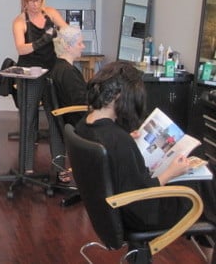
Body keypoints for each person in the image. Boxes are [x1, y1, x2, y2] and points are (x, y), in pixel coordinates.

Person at [75, 61, 216, 237]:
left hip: (114, 209)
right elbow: (141, 193)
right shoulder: (118, 140)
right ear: (120, 96)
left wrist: (129, 141)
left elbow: (114, 158)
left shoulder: (84, 125)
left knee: (205, 177)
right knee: (205, 178)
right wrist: (171, 172)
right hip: (143, 214)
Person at [12, 0, 67, 174]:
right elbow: (21, 48)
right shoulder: (20, 22)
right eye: (30, 1)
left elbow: (67, 30)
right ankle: (26, 168)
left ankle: (60, 167)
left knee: (56, 118)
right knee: (28, 120)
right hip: (30, 75)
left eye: (38, 0)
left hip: (51, 72)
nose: (35, 5)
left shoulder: (50, 13)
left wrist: (65, 35)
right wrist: (44, 39)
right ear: (24, 1)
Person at [47, 25, 88, 182]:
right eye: (80, 43)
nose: (83, 47)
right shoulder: (68, 72)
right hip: (77, 121)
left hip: (68, 120)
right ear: (68, 47)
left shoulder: (57, 67)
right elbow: (81, 103)